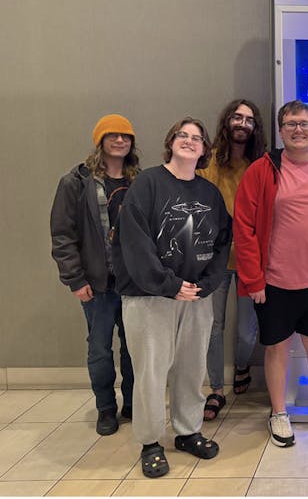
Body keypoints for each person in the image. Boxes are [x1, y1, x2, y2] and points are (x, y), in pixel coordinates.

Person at [113, 117, 231, 478]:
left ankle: (187, 430)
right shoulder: (147, 184)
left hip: (195, 297)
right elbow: (134, 242)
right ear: (171, 142)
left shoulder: (209, 193)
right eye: (183, 135)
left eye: (197, 138)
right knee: (150, 371)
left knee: (192, 368)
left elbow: (222, 242)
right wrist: (167, 284)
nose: (190, 141)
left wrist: (207, 285)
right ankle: (150, 441)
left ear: (204, 150)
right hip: (151, 298)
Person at [234, 100, 308, 449]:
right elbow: (244, 228)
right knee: (277, 349)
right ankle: (278, 413)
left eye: (304, 123)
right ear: (280, 130)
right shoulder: (262, 170)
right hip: (275, 283)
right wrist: (254, 280)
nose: (298, 129)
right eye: (290, 124)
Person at [50, 114, 140, 436]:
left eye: (125, 136)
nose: (120, 141)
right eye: (112, 135)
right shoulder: (76, 182)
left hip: (133, 285)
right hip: (96, 285)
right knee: (100, 348)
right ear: (100, 140)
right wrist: (75, 279)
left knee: (134, 348)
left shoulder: (138, 181)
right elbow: (62, 235)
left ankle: (132, 403)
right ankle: (106, 407)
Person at [198, 99, 265, 421]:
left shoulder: (261, 165)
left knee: (247, 333)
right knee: (213, 326)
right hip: (214, 262)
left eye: (249, 120)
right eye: (237, 117)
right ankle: (214, 389)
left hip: (251, 260)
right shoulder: (207, 161)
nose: (242, 124)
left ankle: (241, 365)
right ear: (227, 121)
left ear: (255, 128)